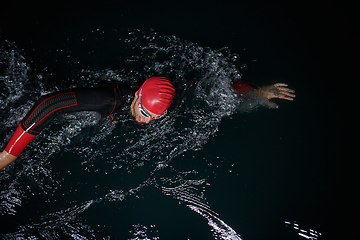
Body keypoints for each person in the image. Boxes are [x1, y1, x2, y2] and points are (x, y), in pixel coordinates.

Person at [0, 76, 295, 170]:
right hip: (86, 107)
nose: (145, 120)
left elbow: (217, 82)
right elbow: (50, 104)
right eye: (143, 111)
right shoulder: (107, 101)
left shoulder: (171, 98)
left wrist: (255, 92)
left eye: (154, 118)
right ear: (138, 94)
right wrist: (9, 154)